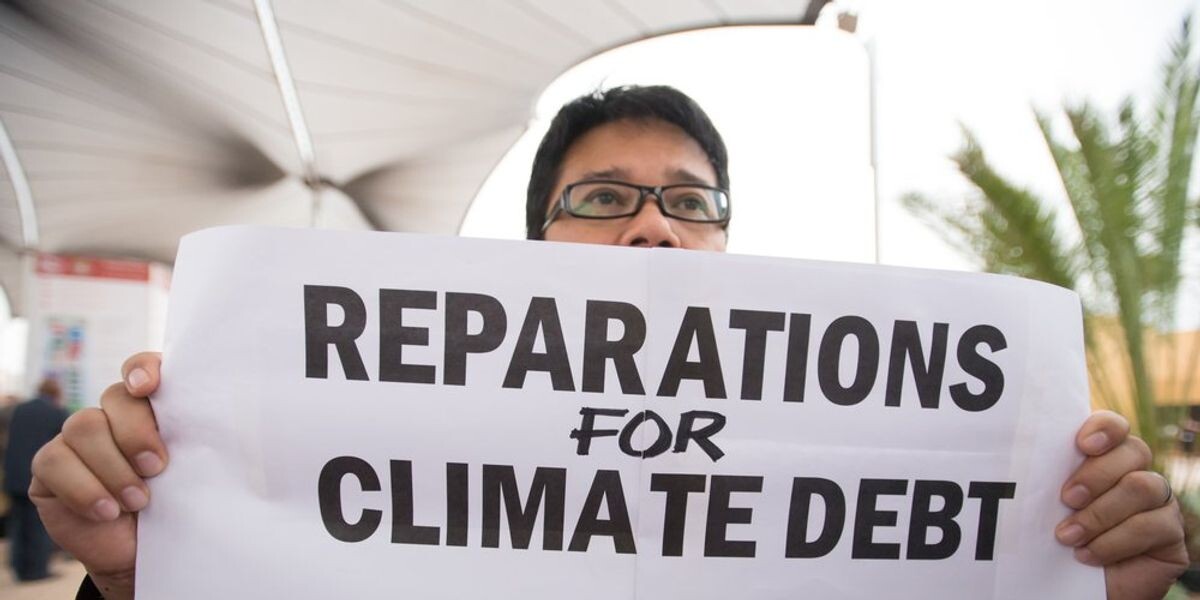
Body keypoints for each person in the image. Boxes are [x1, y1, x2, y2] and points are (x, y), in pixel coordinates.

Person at [30, 85, 1187, 600]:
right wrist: (141, 578)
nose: (651, 227)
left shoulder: (881, 457)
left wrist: (1089, 590)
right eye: (601, 198)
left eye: (689, 201)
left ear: (725, 241)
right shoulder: (365, 437)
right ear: (534, 242)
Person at [5, 378, 68, 582]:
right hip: (38, 476)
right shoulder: (56, 412)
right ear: (56, 393)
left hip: (13, 475)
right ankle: (37, 570)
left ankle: (19, 568)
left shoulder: (19, 409)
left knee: (17, 524)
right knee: (38, 524)